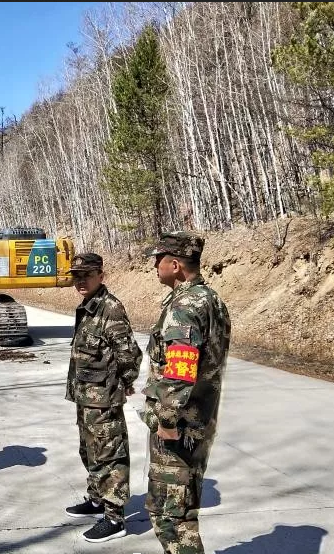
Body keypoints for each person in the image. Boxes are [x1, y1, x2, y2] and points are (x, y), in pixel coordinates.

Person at [142, 231, 231, 554]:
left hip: (179, 428)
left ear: (175, 265)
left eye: (159, 260)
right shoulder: (210, 298)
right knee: (180, 510)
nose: (155, 266)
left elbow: (180, 370)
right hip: (198, 420)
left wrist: (167, 419)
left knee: (172, 518)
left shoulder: (185, 305)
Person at [63, 253, 143, 543]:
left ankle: (114, 517)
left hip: (104, 398)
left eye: (87, 275)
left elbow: (129, 354)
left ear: (101, 275)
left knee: (109, 455)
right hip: (86, 395)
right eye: (76, 276)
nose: (81, 281)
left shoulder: (110, 309)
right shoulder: (87, 306)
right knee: (89, 451)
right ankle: (97, 499)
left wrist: (125, 382)